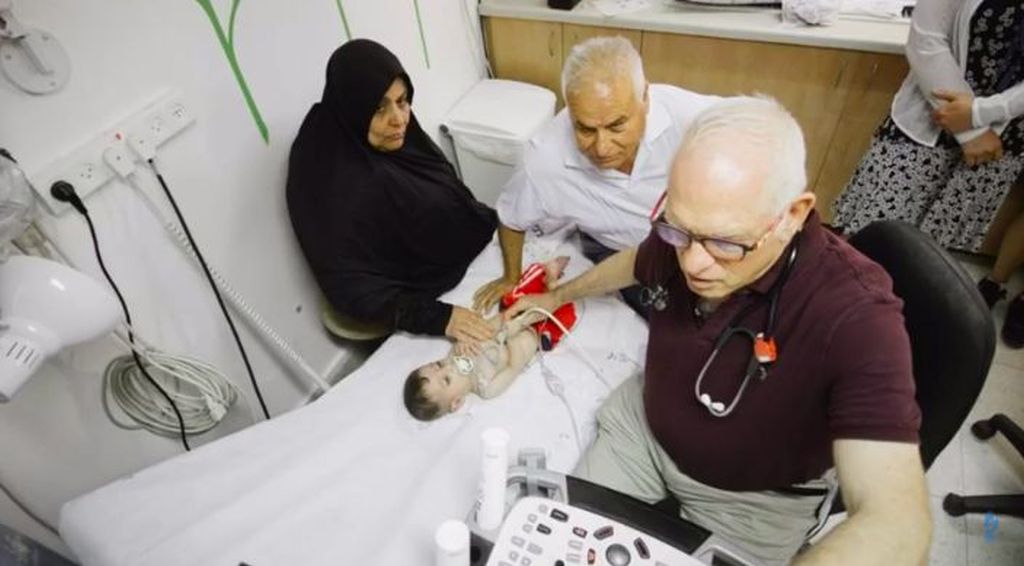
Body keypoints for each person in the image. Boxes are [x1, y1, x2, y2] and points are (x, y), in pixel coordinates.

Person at [506, 97, 931, 565]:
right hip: (644, 434)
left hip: (753, 502)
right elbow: (638, 261)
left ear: (792, 215)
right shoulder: (689, 232)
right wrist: (559, 296)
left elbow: (897, 525)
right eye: (678, 232)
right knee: (556, 548)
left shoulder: (857, 315)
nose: (692, 262)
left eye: (726, 244)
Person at [472, 36, 718, 318]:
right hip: (617, 251)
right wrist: (511, 277)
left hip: (692, 240)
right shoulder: (544, 161)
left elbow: (770, 137)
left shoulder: (692, 118)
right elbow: (510, 217)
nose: (602, 148)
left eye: (617, 125)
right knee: (682, 326)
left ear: (646, 98)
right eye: (585, 129)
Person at [831, 0, 1024, 345]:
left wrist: (984, 112)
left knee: (932, 255)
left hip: (1004, 138)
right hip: (927, 121)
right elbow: (926, 40)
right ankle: (822, 322)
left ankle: (881, 338)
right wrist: (971, 130)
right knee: (870, 238)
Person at [287, 39, 498, 343]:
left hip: (462, 250)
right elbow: (352, 288)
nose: (399, 120)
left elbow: (446, 191)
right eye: (379, 108)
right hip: (414, 290)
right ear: (354, 108)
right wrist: (439, 317)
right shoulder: (336, 184)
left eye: (402, 101)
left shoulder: (391, 136)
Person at [404, 257, 575, 421]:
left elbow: (476, 330)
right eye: (446, 380)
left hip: (512, 316)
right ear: (457, 402)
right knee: (561, 319)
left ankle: (549, 273)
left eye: (438, 364)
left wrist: (464, 341)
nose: (448, 367)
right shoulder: (487, 388)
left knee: (515, 295)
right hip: (532, 333)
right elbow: (513, 367)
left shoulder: (455, 355)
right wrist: (511, 340)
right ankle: (556, 289)